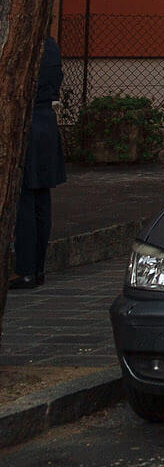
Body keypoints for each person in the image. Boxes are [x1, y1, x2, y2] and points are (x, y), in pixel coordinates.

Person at [12, 34, 66, 290]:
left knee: (24, 199)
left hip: (27, 121)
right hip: (45, 121)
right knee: (40, 198)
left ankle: (25, 269)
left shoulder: (21, 42)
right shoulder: (50, 45)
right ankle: (37, 268)